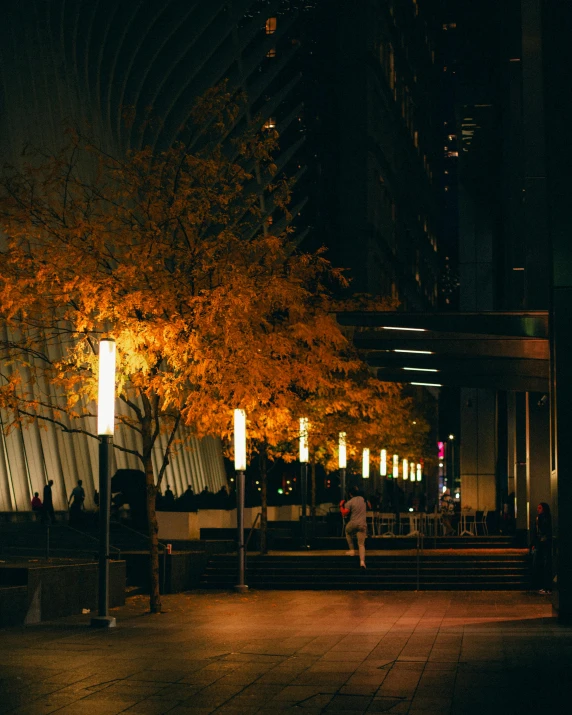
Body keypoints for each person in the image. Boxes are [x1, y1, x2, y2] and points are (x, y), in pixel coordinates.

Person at [340, 486, 367, 569]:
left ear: (350, 494)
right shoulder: (363, 499)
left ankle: (352, 550)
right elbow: (369, 505)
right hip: (362, 524)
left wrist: (341, 506)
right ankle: (362, 562)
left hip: (354, 523)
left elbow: (344, 513)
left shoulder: (350, 502)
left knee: (347, 531)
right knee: (361, 544)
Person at [531, 502, 553, 594]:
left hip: (543, 544)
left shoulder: (542, 519)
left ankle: (546, 587)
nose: (537, 509)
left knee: (544, 564)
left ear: (543, 509)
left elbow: (542, 530)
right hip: (542, 543)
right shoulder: (544, 518)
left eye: (539, 508)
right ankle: (545, 587)